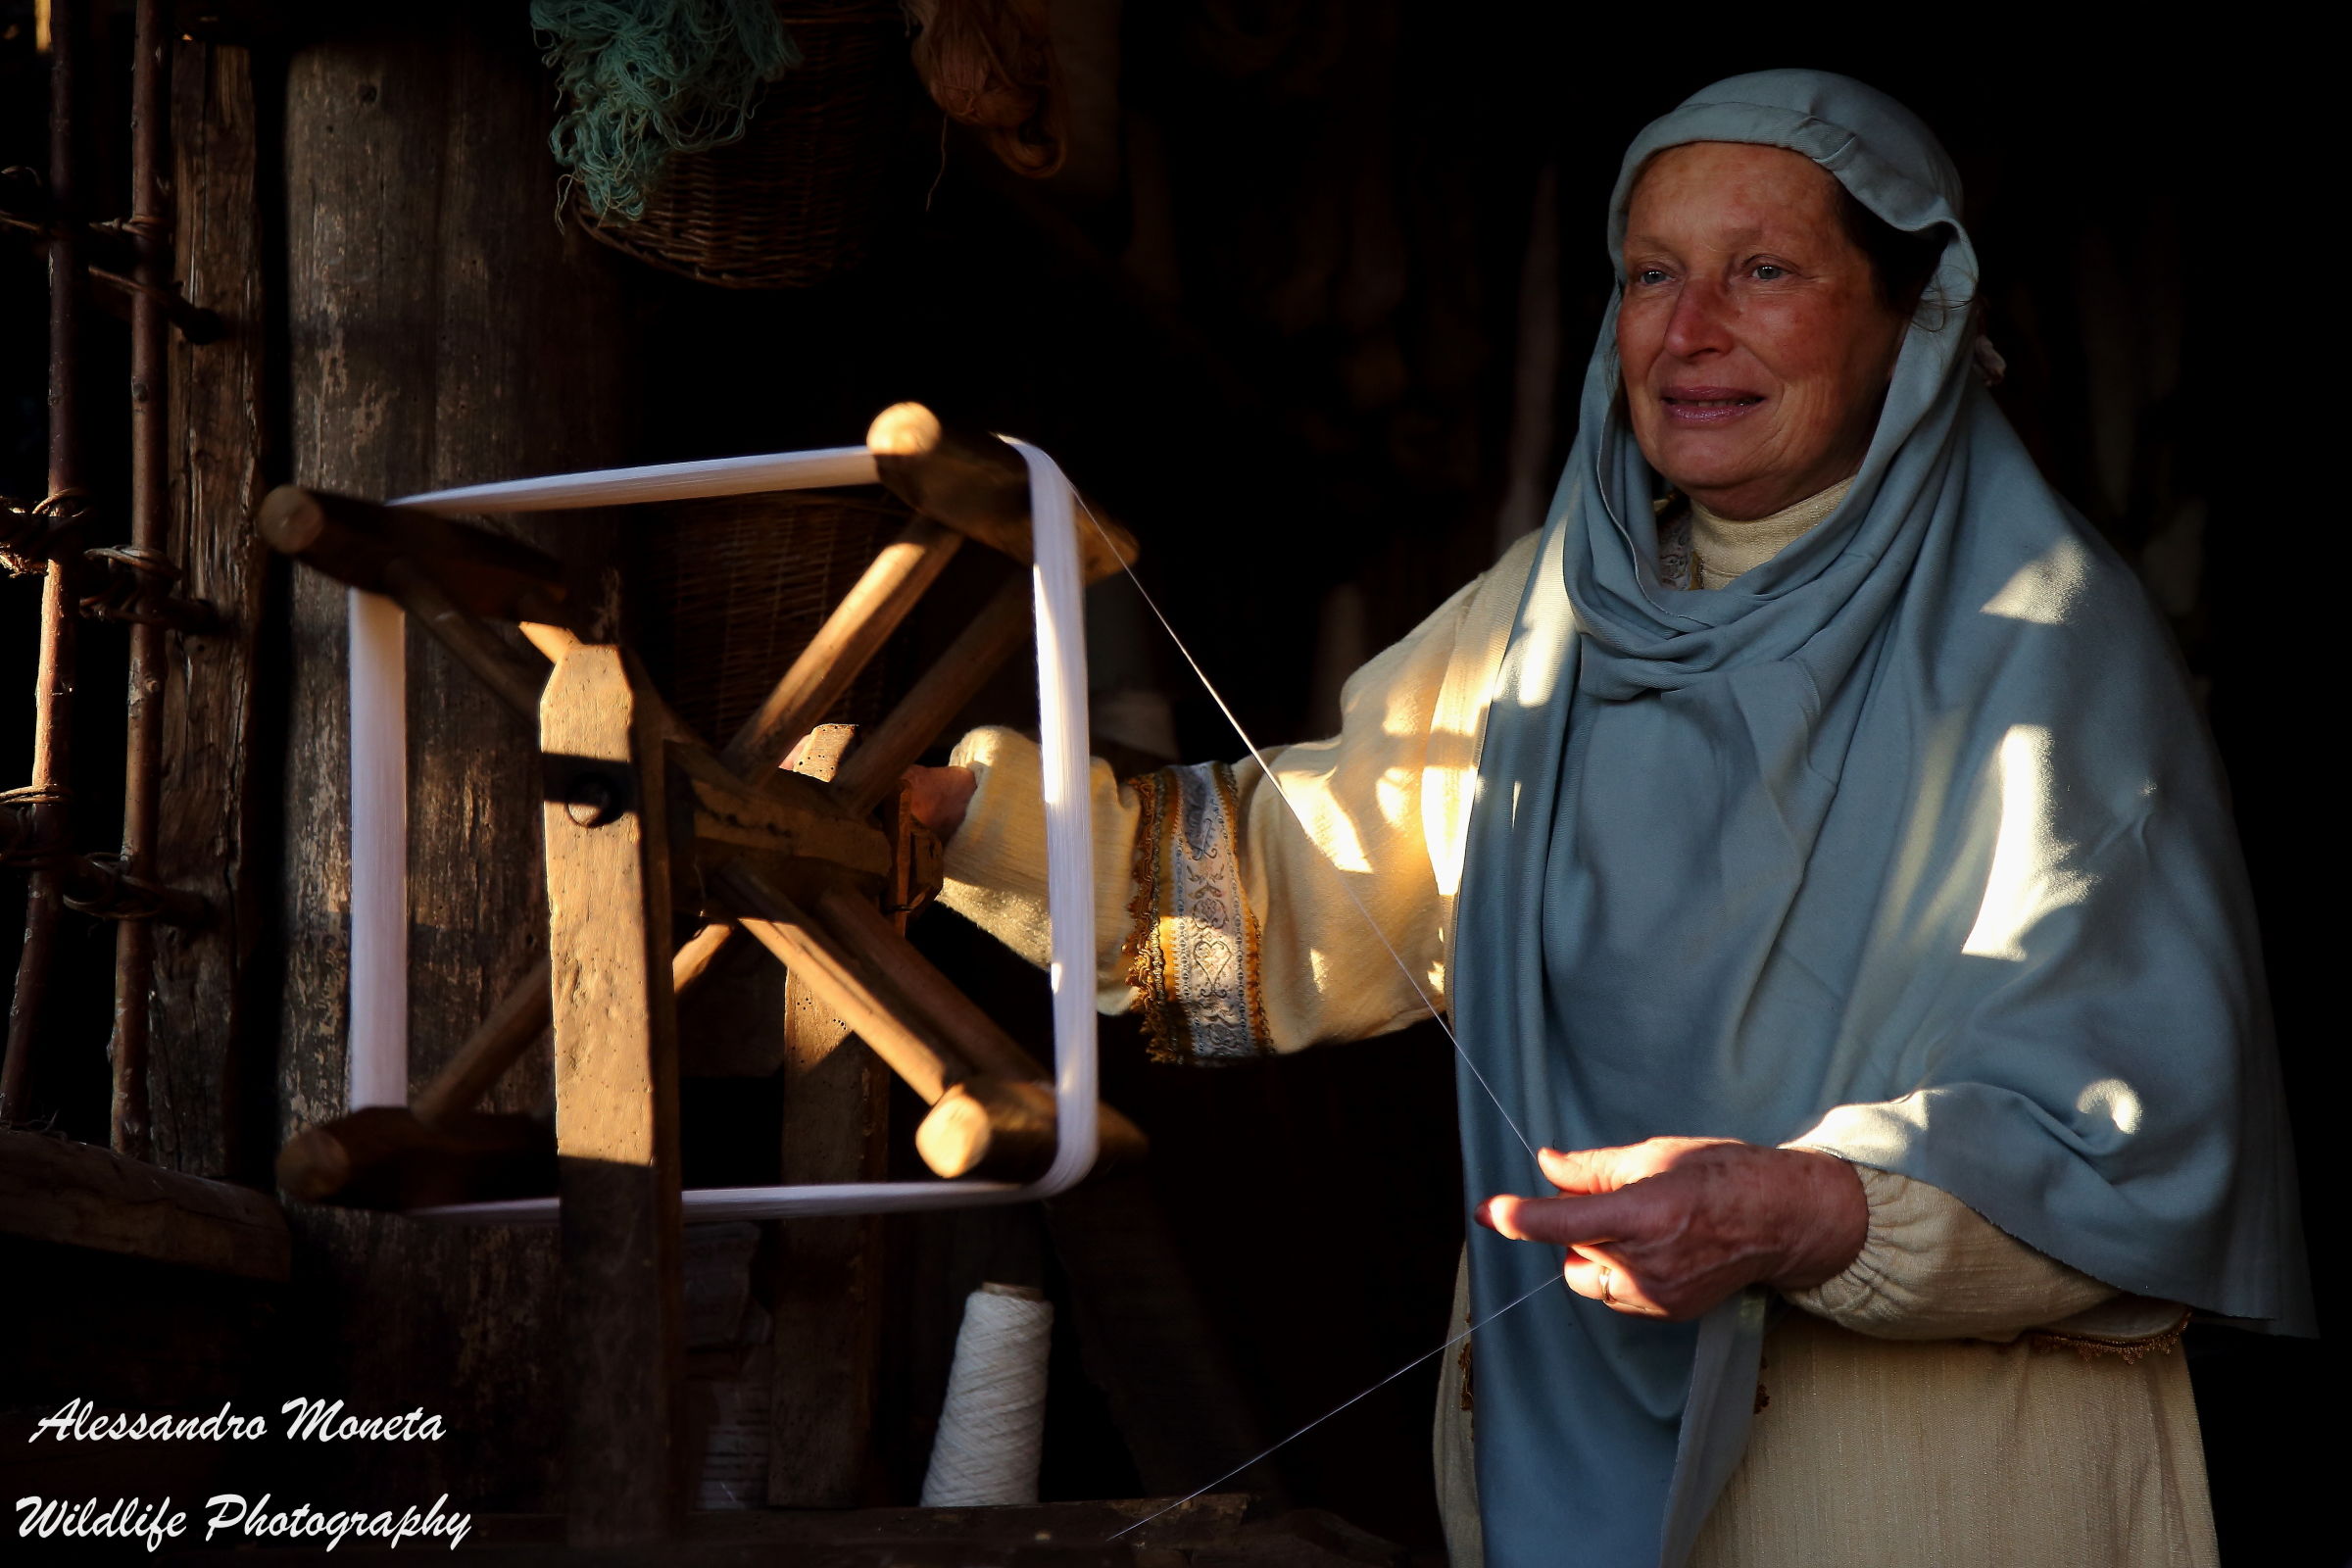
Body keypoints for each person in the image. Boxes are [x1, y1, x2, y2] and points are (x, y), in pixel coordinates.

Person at [904, 70, 2309, 1568]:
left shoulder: (2043, 645)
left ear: (1916, 315)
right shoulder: (1545, 621)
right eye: (1652, 276)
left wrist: (1810, 1212)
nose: (1689, 332)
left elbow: (2120, 1132)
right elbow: (1309, 897)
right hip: (1563, 1438)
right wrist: (975, 825)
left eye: (1763, 271)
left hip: (1934, 1490)